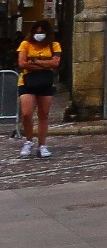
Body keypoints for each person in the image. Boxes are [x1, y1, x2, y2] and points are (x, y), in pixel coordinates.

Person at [16, 21, 60, 159]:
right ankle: (28, 141)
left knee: (44, 114)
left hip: (45, 83)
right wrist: (45, 64)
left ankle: (42, 145)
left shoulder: (54, 45)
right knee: (27, 113)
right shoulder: (25, 44)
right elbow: (22, 63)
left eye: (41, 32)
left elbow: (55, 63)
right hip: (27, 82)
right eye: (36, 32)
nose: (38, 35)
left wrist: (34, 62)